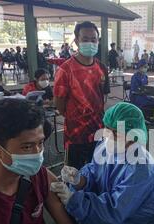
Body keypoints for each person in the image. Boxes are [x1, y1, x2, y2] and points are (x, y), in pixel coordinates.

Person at [54, 21, 110, 169]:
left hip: (98, 130)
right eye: (85, 39)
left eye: (94, 40)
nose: (90, 43)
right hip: (75, 134)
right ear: (77, 41)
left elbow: (103, 96)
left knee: (98, 170)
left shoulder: (101, 67)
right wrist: (74, 117)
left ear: (98, 41)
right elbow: (59, 103)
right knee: (73, 174)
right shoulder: (65, 70)